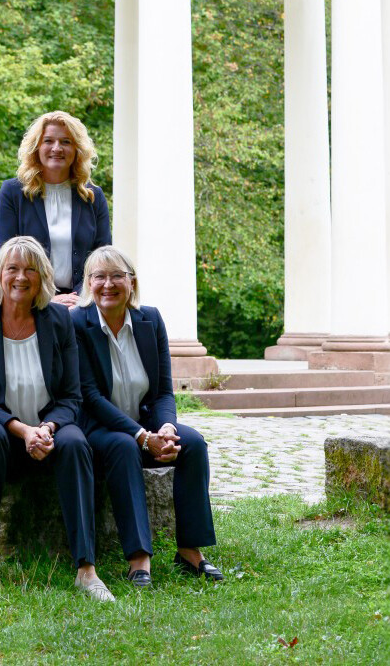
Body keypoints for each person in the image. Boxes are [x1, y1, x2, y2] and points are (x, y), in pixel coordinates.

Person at [0, 235, 113, 601]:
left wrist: (47, 428)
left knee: (75, 442)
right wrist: (23, 431)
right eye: (13, 268)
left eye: (31, 270)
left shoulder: (56, 320)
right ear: (0, 274)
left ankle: (86, 570)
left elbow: (71, 395)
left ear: (43, 278)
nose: (21, 277)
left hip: (47, 430)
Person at [71, 244, 223, 587]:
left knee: (193, 443)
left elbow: (162, 392)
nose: (108, 285)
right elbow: (90, 396)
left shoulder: (149, 319)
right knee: (124, 447)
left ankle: (189, 550)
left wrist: (166, 427)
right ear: (87, 284)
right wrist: (143, 437)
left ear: (132, 283)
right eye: (99, 277)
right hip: (96, 427)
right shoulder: (76, 323)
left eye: (116, 277)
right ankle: (139, 559)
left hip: (144, 423)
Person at [0, 110, 111, 306]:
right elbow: (8, 260)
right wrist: (48, 299)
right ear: (36, 148)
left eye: (66, 142)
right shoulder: (12, 193)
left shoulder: (93, 196)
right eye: (48, 141)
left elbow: (102, 258)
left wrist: (79, 300)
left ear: (77, 150)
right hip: (28, 303)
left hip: (82, 305)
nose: (57, 148)